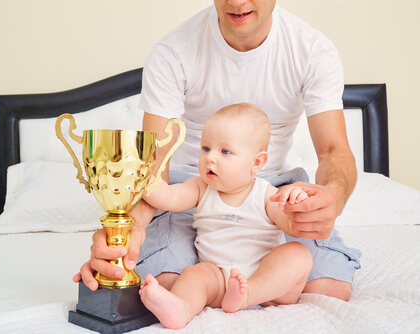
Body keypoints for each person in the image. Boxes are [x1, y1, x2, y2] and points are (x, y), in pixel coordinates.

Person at [74, 0, 362, 301]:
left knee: (330, 291)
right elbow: (155, 169)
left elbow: (333, 151)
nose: (237, 2)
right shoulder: (173, 52)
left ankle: (240, 291)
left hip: (272, 193)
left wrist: (334, 195)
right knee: (163, 284)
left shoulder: (312, 50)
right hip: (192, 191)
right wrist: (128, 234)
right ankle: (234, 286)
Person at [139, 103, 313, 329]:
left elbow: (291, 224)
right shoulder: (200, 188)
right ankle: (180, 308)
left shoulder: (265, 194)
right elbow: (168, 197)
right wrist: (143, 177)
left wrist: (295, 199)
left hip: (269, 282)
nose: (210, 158)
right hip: (219, 278)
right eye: (205, 148)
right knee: (194, 274)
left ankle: (247, 296)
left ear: (256, 163)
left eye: (225, 152)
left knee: (298, 254)